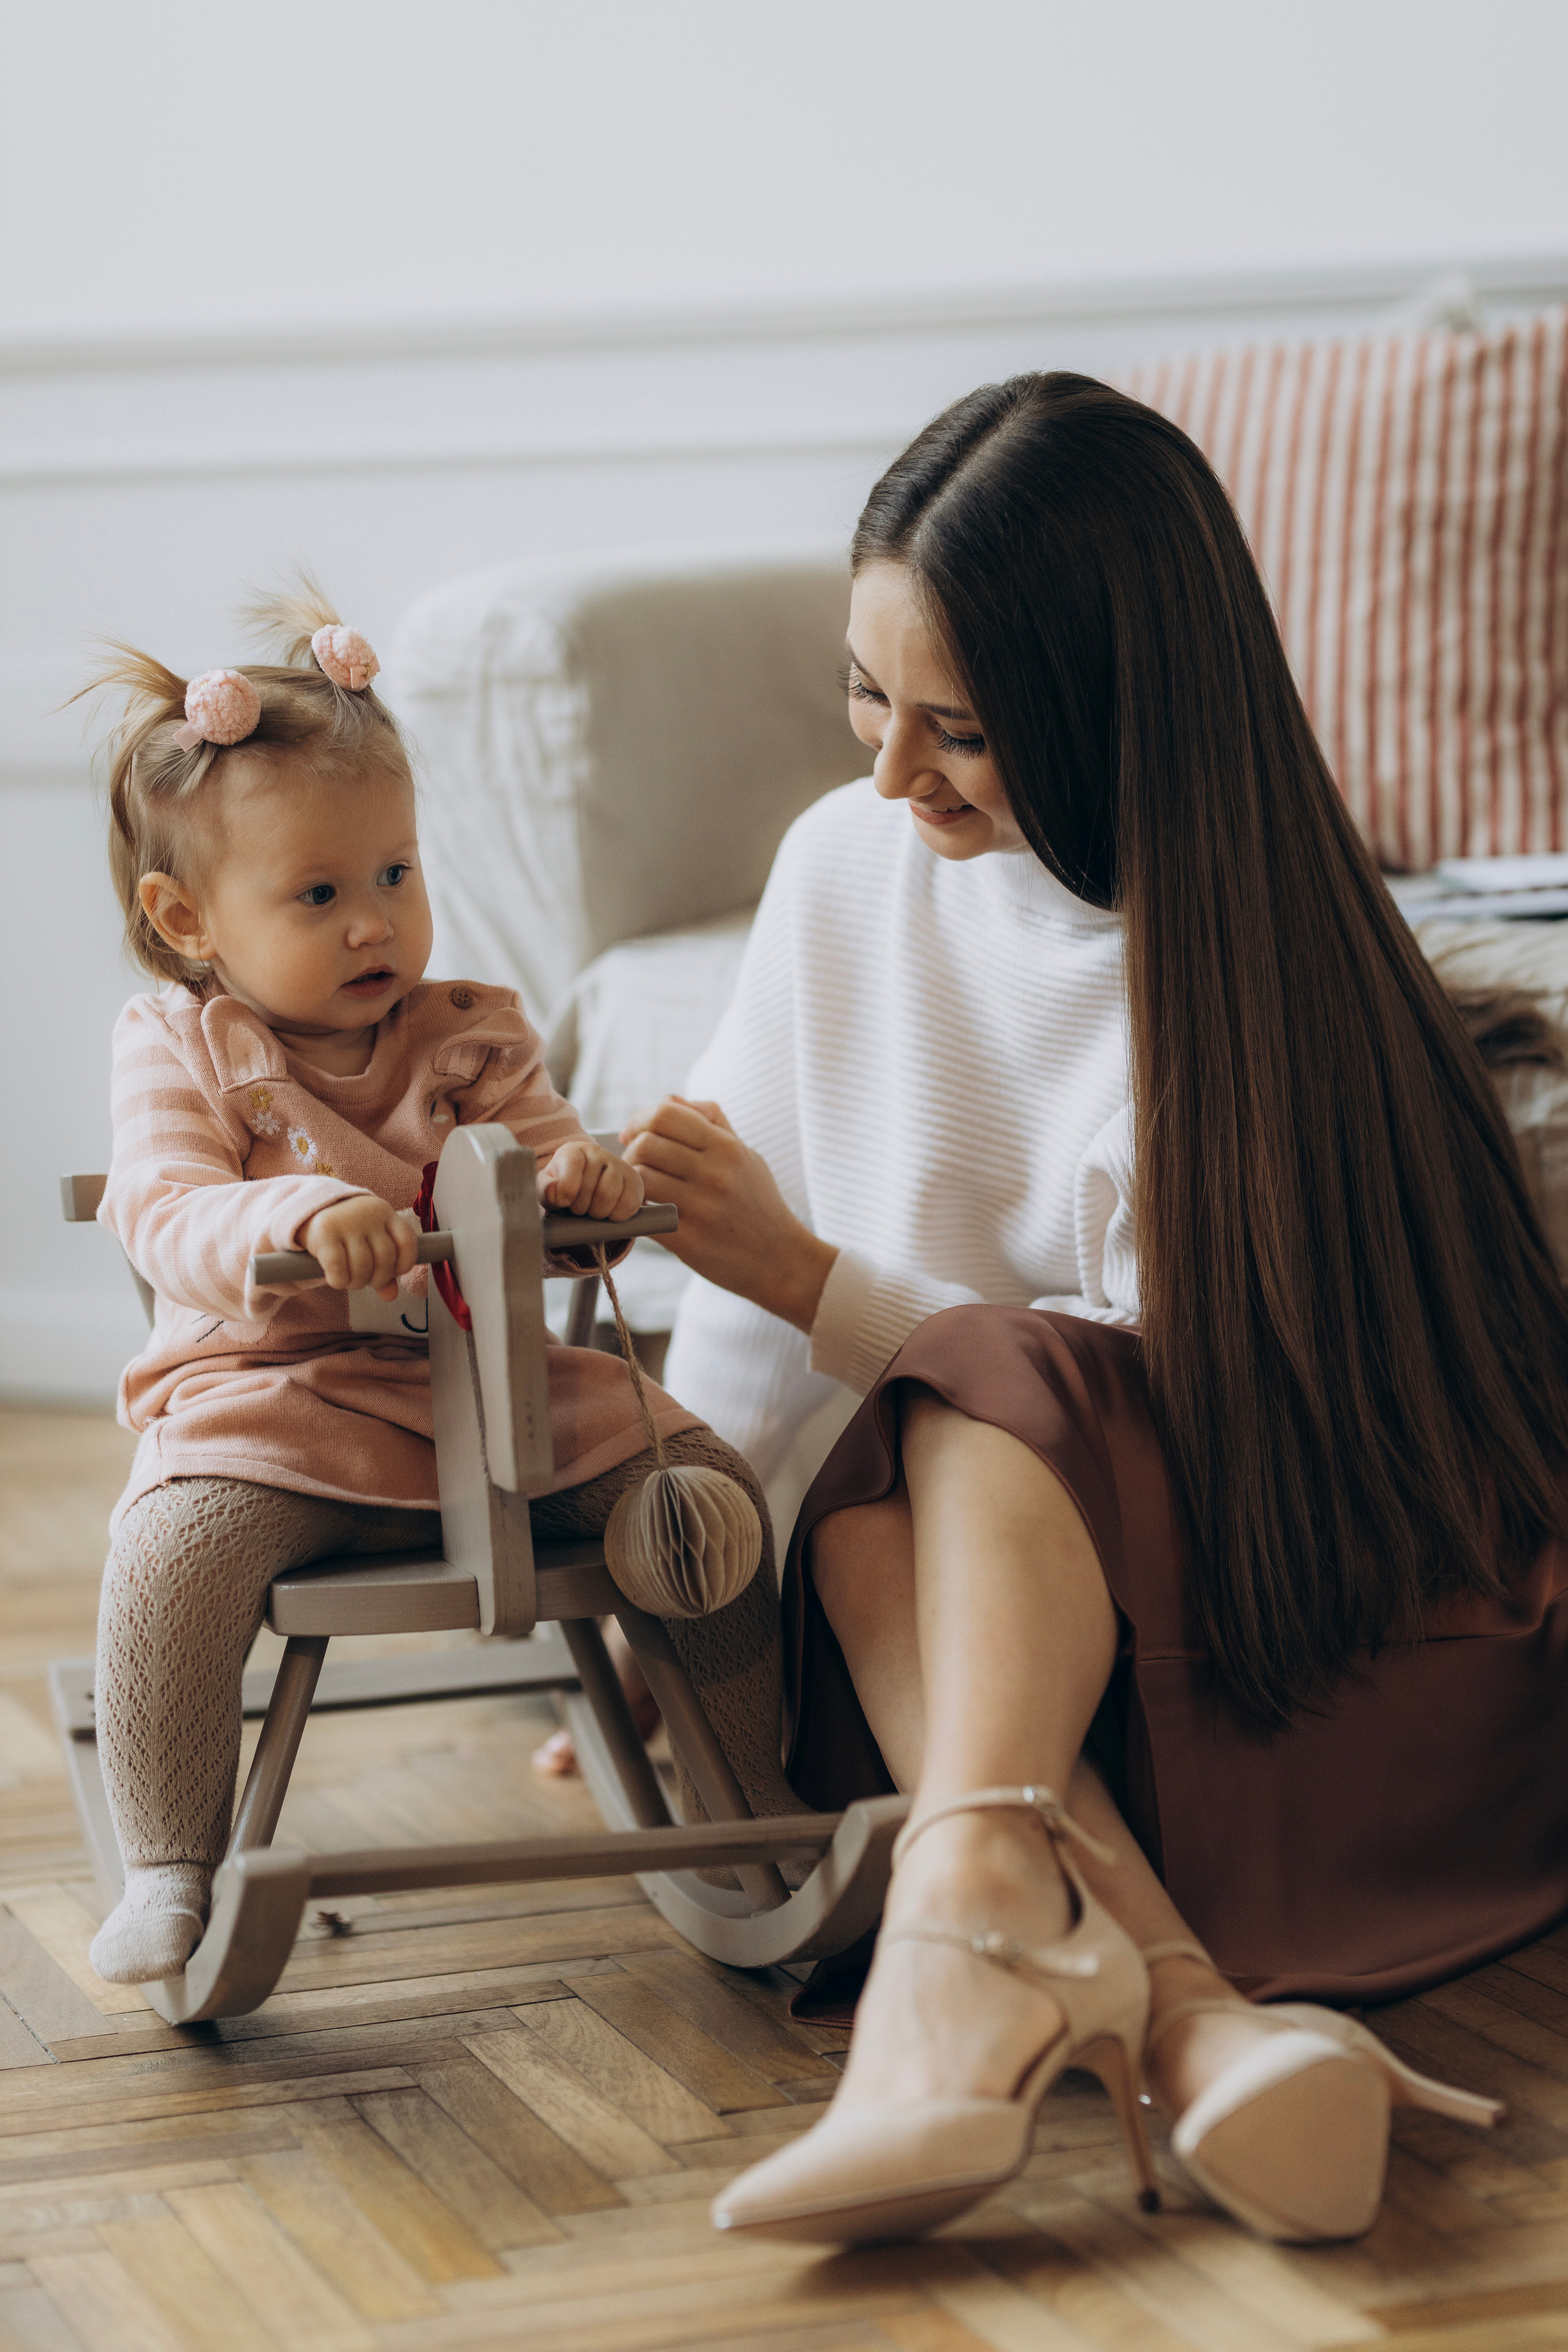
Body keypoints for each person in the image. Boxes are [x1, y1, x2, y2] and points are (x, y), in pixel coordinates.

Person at [621, 374, 1568, 2245]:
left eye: (958, 730)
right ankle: (1177, 2017)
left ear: (1110, 711)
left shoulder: (1243, 982)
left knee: (981, 1389)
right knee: (867, 1483)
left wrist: (816, 1280)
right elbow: (749, 1366)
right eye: (864, 698)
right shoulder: (843, 868)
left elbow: (1201, 1429)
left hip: (1246, 1653)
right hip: (941, 1642)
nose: (890, 777)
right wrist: (685, 1628)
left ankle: (976, 1967)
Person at [83, 583, 794, 1988]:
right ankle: (171, 1858)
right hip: (272, 1399)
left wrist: (583, 1181)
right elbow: (162, 1212)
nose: (375, 925)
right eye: (320, 895)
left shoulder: (468, 1035)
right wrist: (295, 1206)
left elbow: (551, 1168)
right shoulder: (183, 1046)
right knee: (169, 1556)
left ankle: (753, 1792)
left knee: (699, 1493)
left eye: (396, 876)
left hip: (497, 1397)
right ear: (189, 919)